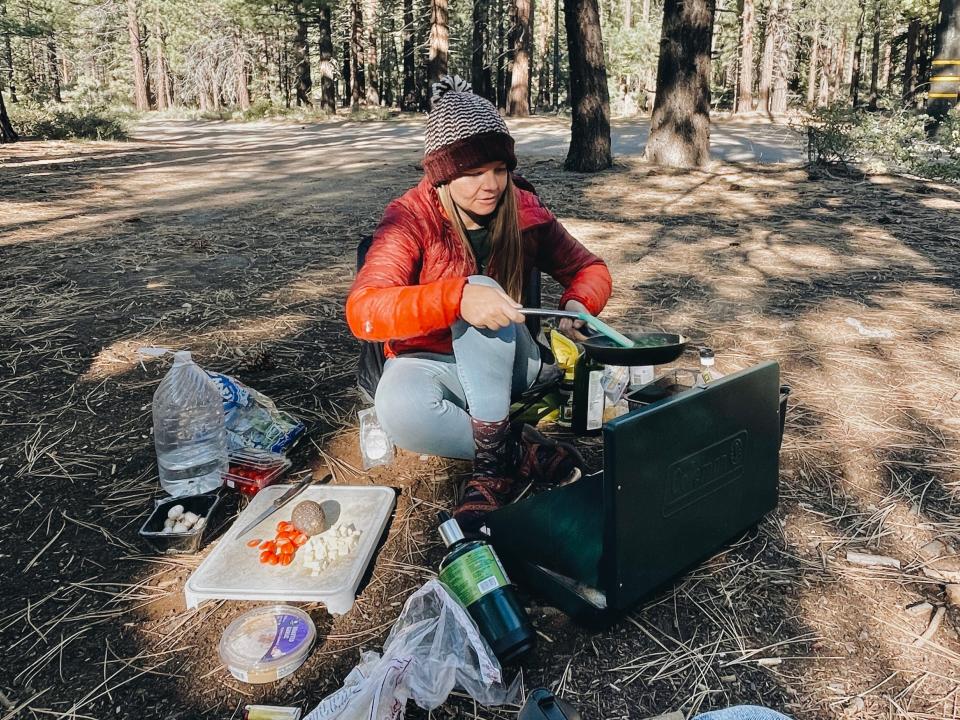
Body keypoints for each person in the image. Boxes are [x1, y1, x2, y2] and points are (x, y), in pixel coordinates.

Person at [346, 76, 613, 530]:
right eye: (472, 173)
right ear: (443, 175)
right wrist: (456, 298)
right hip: (430, 363)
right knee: (398, 411)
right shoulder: (411, 216)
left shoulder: (525, 211)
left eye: (499, 169)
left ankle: (490, 475)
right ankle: (521, 451)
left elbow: (591, 269)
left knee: (481, 288)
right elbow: (365, 309)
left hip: (508, 361)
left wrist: (577, 305)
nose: (489, 184)